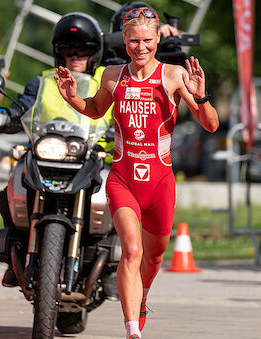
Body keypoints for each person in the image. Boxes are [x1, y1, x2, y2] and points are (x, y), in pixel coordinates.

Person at [55, 8, 218, 339]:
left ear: (157, 39)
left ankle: (142, 295)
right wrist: (73, 98)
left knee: (154, 257)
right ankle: (132, 331)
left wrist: (200, 95)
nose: (140, 48)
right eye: (133, 41)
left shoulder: (173, 75)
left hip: (160, 183)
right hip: (123, 179)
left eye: (146, 40)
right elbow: (96, 109)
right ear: (124, 41)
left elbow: (211, 124)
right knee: (131, 250)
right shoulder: (113, 75)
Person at [0, 13, 118, 300]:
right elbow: (24, 107)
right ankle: (14, 256)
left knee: (118, 197)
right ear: (57, 52)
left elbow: (124, 106)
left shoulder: (107, 79)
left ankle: (112, 268)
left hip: (92, 156)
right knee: (9, 191)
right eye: (68, 49)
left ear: (95, 52)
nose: (75, 56)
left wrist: (125, 128)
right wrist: (5, 115)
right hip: (47, 156)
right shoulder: (44, 82)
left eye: (84, 49)